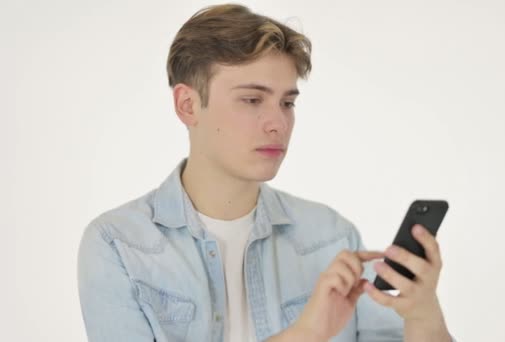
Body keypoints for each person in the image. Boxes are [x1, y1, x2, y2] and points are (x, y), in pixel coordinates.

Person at [77, 4, 456, 342]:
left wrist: (423, 315)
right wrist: (305, 334)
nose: (278, 123)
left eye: (287, 102)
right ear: (188, 105)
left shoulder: (331, 237)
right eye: (252, 99)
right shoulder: (118, 245)